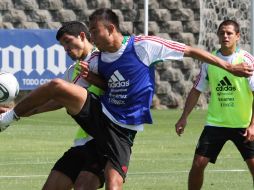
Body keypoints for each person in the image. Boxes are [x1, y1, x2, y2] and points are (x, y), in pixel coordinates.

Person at [0, 9, 253, 190]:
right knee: (57, 86)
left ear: (110, 29)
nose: (92, 37)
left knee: (111, 184)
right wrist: (16, 112)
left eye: (95, 32)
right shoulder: (93, 62)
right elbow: (62, 96)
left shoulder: (143, 46)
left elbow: (189, 50)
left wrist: (227, 67)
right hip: (99, 120)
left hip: (122, 131)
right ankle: (7, 119)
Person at [18, 21, 105, 190]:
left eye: (68, 42)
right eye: (63, 46)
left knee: (82, 186)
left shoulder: (103, 60)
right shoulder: (73, 70)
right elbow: (58, 100)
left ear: (82, 36)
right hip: (82, 142)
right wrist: (27, 111)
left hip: (105, 141)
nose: (66, 49)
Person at [175, 20, 254, 190]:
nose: (225, 36)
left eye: (229, 33)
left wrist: (253, 125)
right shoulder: (210, 61)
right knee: (198, 164)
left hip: (243, 124)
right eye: (222, 33)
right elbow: (196, 90)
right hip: (216, 123)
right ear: (218, 35)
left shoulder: (246, 60)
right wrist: (184, 117)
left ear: (238, 36)